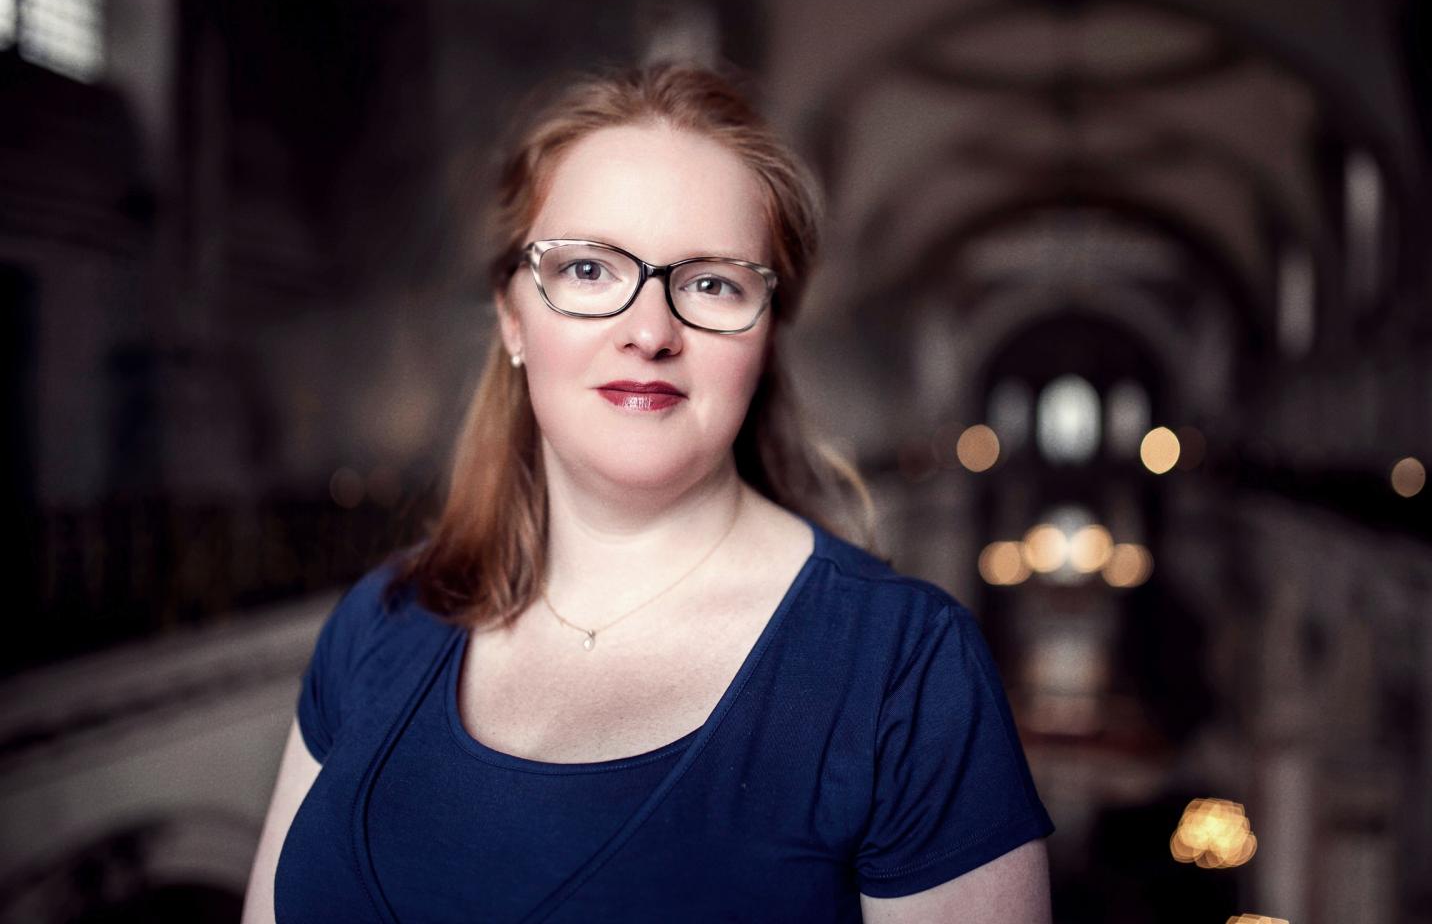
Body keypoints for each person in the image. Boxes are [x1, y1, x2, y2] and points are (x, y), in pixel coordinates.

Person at [242, 61, 1053, 923]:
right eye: (589, 270)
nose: (649, 332)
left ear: (768, 335)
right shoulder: (381, 623)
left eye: (712, 284)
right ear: (513, 317)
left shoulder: (905, 668)